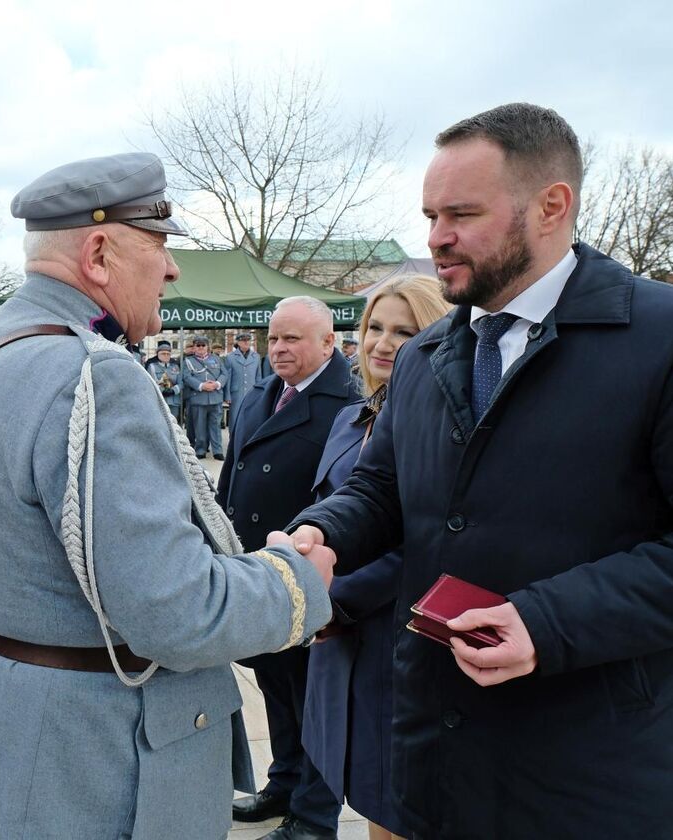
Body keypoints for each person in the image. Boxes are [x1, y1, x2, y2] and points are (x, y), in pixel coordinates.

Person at [283, 102, 673, 839]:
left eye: (461, 214)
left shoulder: (660, 337)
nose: (436, 239)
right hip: (436, 758)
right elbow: (380, 489)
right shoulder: (430, 352)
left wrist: (546, 620)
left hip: (594, 770)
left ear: (553, 206)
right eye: (430, 215)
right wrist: (322, 534)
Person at [0, 152, 333, 840]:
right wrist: (296, 583)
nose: (172, 268)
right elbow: (177, 615)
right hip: (96, 763)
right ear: (99, 253)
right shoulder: (92, 375)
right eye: (161, 244)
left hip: (17, 740)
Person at [300, 276, 449, 840]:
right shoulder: (350, 416)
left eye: (405, 332)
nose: (383, 344)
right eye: (375, 329)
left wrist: (332, 601)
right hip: (341, 633)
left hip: (396, 627)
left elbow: (421, 534)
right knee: (361, 783)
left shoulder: (443, 424)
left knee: (396, 793)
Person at [220, 296, 361, 837]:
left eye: (292, 339)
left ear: (328, 342)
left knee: (314, 699)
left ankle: (313, 814)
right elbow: (232, 473)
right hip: (258, 570)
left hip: (310, 575)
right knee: (276, 685)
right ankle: (283, 782)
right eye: (273, 338)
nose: (278, 348)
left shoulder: (347, 404)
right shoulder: (261, 393)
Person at [182, 336, 226, 458]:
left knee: (216, 426)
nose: (201, 348)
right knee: (199, 426)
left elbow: (224, 374)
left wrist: (217, 384)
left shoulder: (216, 359)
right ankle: (200, 450)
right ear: (194, 347)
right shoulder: (188, 361)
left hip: (215, 397)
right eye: (198, 345)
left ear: (208, 347)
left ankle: (218, 451)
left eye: (203, 345)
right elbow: (186, 377)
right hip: (198, 398)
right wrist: (201, 385)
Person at [223, 331, 264, 419]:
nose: (246, 342)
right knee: (235, 418)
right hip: (236, 394)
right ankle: (234, 433)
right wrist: (227, 395)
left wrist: (260, 393)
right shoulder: (230, 357)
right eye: (243, 340)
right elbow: (227, 378)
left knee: (250, 417)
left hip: (252, 392)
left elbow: (258, 377)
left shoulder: (256, 357)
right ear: (238, 342)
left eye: (248, 340)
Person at [145, 339, 182, 420]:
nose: (166, 356)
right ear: (157, 354)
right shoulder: (152, 366)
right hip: (160, 400)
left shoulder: (175, 366)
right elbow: (151, 383)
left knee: (174, 424)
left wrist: (174, 390)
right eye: (163, 353)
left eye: (168, 354)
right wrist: (162, 390)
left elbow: (181, 383)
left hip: (174, 400)